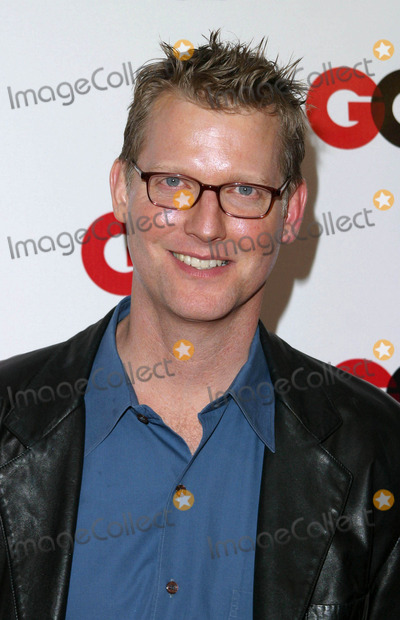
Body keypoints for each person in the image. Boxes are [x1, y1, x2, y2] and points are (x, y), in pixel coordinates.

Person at [0, 31, 399, 620]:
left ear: (290, 212)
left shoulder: (380, 450)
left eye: (245, 190)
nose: (207, 226)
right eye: (174, 183)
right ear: (122, 191)